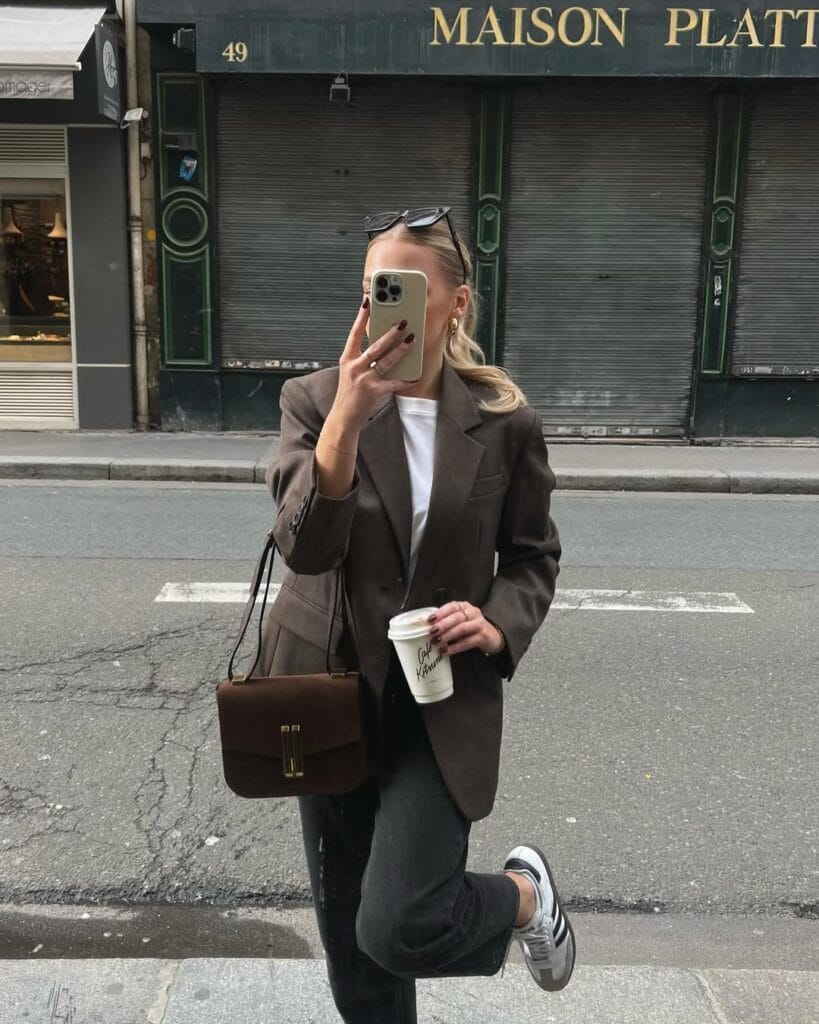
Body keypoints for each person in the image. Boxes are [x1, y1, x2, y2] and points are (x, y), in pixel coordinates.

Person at [262, 206, 572, 1023]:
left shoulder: (503, 423)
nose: (378, 310)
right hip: (330, 697)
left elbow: (534, 554)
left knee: (398, 923)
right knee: (354, 952)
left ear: (455, 304)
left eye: (398, 288)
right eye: (369, 290)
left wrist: (499, 621)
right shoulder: (314, 400)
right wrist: (345, 421)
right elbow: (301, 547)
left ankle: (520, 899)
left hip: (439, 702)